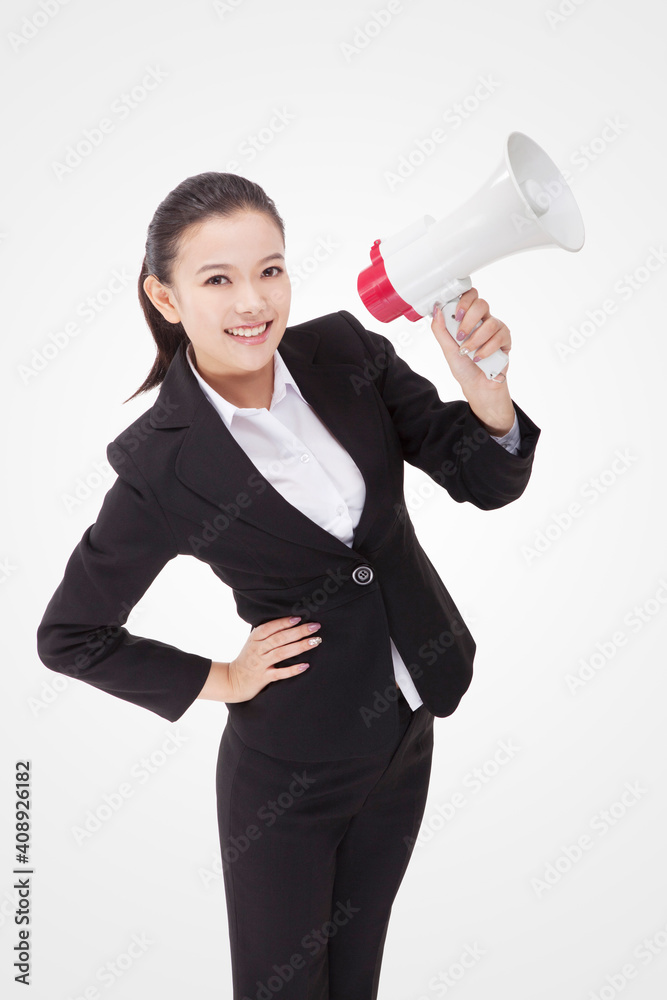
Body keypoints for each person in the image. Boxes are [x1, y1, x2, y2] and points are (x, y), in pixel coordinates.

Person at [36, 171, 541, 999]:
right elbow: (68, 637)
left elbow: (485, 481)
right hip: (290, 772)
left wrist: (486, 393)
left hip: (408, 725)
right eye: (218, 278)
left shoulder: (345, 352)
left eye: (270, 270)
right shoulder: (160, 462)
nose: (253, 301)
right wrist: (223, 678)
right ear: (165, 298)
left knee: (354, 979)